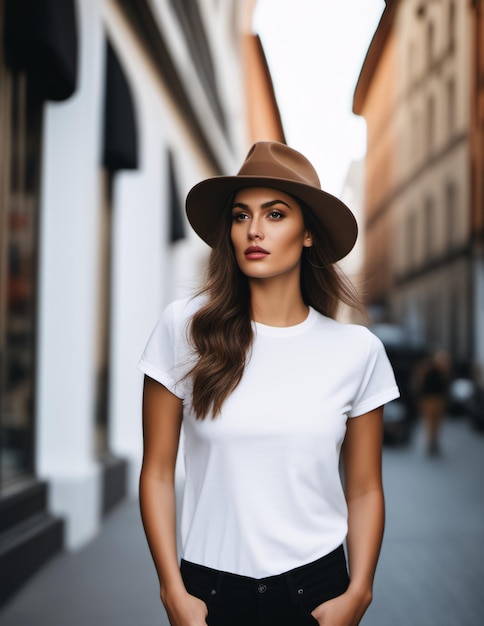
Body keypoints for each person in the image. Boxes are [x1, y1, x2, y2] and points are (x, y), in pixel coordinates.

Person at [138, 141, 400, 626]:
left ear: (308, 235)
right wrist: (173, 591)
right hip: (208, 591)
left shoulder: (357, 351)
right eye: (241, 216)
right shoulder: (184, 329)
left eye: (275, 214)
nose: (254, 230)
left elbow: (364, 488)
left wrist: (359, 592)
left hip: (317, 592)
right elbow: (156, 470)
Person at [417, 349, 450, 456]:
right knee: (429, 422)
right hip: (428, 398)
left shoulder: (443, 371)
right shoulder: (427, 369)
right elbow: (420, 381)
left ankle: (434, 441)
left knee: (436, 422)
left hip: (438, 398)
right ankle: (431, 442)